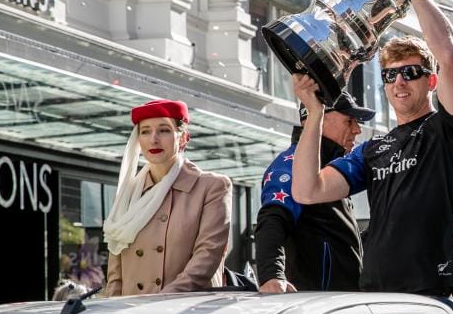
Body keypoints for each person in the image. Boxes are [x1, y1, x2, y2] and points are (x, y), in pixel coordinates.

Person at [290, 0, 453, 299]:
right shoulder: (373, 150)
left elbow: (450, 58)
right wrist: (314, 114)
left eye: (411, 73)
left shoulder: (447, 128)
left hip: (431, 291)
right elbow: (306, 191)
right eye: (391, 75)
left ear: (431, 82)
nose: (400, 82)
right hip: (376, 294)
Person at [103, 100, 232, 296]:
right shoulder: (126, 195)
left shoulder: (212, 187)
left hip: (186, 312)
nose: (153, 139)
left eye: (163, 130)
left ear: (183, 138)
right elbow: (115, 272)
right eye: (145, 131)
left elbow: (207, 255)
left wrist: (163, 300)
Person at [255, 92, 374, 293]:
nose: (357, 130)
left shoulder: (333, 165)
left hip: (339, 303)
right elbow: (272, 219)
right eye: (349, 120)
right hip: (315, 307)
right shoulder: (291, 164)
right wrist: (272, 276)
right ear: (316, 118)